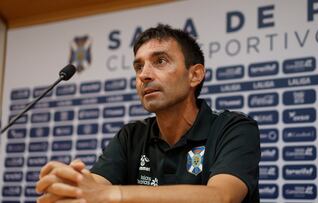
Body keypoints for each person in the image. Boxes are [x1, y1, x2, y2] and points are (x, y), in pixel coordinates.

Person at [36, 24, 260, 203]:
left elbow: (221, 197)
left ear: (195, 75)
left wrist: (112, 195)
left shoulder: (234, 128)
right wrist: (73, 186)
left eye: (160, 61)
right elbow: (96, 185)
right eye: (138, 67)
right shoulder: (131, 135)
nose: (144, 75)